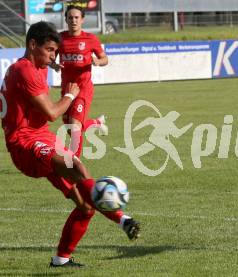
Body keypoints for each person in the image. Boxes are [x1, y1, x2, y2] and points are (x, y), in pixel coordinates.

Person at [0, 21, 140, 268]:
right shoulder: (25, 70)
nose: (54, 56)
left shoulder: (33, 66)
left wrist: (51, 63)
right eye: (50, 50)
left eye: (56, 51)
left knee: (85, 206)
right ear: (33, 45)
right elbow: (52, 113)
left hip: (40, 137)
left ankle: (62, 258)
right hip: (25, 144)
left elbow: (34, 94)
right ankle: (122, 217)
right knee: (75, 167)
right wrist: (70, 94)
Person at [52, 5, 109, 158]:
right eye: (70, 17)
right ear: (66, 20)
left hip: (83, 88)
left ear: (82, 20)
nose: (73, 20)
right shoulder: (60, 38)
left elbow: (105, 59)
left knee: (75, 128)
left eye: (76, 17)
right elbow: (50, 57)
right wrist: (53, 64)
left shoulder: (90, 39)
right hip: (67, 89)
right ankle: (96, 123)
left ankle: (73, 163)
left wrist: (97, 61)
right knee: (71, 128)